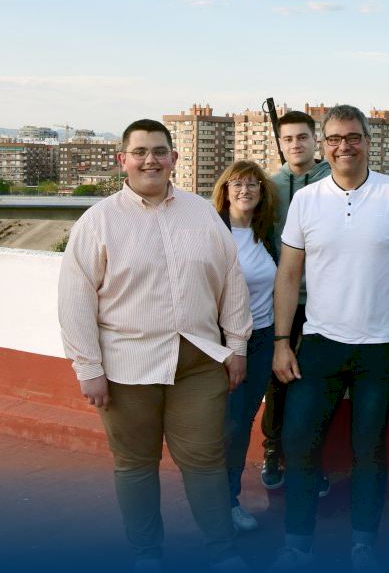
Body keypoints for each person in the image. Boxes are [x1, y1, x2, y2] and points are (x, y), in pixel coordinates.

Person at [57, 119, 252, 571]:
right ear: (122, 159)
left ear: (174, 158)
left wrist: (238, 344)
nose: (151, 160)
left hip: (198, 364)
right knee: (135, 464)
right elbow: (75, 299)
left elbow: (231, 280)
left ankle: (222, 552)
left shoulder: (202, 213)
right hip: (126, 368)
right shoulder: (98, 221)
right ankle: (147, 554)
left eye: (160, 151)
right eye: (140, 152)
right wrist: (88, 368)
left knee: (205, 459)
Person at [269, 105, 389, 571]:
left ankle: (363, 545)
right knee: (299, 443)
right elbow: (288, 275)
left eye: (354, 137)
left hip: (382, 346)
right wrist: (282, 342)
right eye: (335, 138)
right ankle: (297, 546)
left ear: (368, 141)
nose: (345, 146)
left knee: (369, 448)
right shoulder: (306, 201)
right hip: (320, 342)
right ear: (324, 145)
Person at [262, 110, 331, 490]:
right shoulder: (271, 186)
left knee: (317, 384)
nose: (295, 144)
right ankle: (273, 451)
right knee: (278, 380)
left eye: (302, 137)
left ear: (314, 140)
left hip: (325, 301)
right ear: (280, 143)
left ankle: (312, 460)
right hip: (283, 298)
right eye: (287, 139)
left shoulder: (333, 181)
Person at [212, 160, 279, 533]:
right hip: (223, 342)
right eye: (237, 183)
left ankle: (228, 498)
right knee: (229, 424)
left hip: (263, 339)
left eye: (253, 183)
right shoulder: (213, 232)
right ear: (225, 189)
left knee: (242, 423)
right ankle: (220, 503)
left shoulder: (265, 234)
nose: (245, 190)